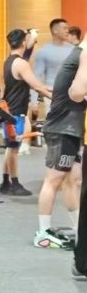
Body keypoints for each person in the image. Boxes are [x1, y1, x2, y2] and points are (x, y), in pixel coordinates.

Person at [34, 43, 87, 250]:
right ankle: (43, 233)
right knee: (53, 180)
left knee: (73, 181)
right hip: (62, 128)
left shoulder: (78, 55)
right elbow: (77, 93)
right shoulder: (83, 54)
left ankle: (78, 229)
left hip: (71, 128)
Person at [0, 29, 52, 196]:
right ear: (23, 42)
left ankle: (5, 182)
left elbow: (36, 85)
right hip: (16, 112)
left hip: (10, 110)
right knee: (13, 149)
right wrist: (56, 97)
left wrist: (53, 89)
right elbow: (36, 86)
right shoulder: (21, 64)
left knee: (10, 147)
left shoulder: (9, 61)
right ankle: (14, 183)